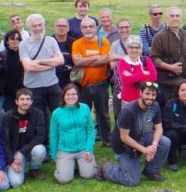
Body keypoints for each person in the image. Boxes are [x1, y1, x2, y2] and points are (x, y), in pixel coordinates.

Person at [97, 82, 171, 186]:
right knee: (132, 181)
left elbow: (159, 129)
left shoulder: (155, 106)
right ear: (141, 93)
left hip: (142, 136)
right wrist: (144, 150)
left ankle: (151, 170)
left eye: (153, 95)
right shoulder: (129, 110)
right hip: (123, 146)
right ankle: (106, 167)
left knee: (165, 142)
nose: (150, 97)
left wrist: (154, 145)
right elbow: (124, 137)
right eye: (147, 94)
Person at [71, 17, 113, 146]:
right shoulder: (77, 43)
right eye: (85, 27)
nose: (88, 29)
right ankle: (83, 140)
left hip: (100, 84)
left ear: (95, 28)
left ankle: (107, 139)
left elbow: (105, 60)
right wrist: (96, 57)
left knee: (104, 114)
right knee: (83, 114)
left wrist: (87, 59)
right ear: (81, 29)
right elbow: (77, 62)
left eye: (91, 26)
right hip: (83, 85)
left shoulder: (103, 42)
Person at [49, 82, 97, 183]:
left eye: (74, 94)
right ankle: (70, 165)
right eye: (68, 94)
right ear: (63, 96)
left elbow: (90, 129)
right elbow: (53, 135)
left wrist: (89, 149)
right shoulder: (56, 113)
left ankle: (77, 164)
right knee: (64, 179)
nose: (71, 96)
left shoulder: (85, 108)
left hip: (83, 149)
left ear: (78, 95)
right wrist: (54, 155)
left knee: (89, 175)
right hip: (65, 150)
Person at [19, 14, 64, 120]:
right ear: (29, 28)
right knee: (38, 119)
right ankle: (42, 137)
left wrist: (39, 62)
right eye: (34, 26)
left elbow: (60, 61)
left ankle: (58, 137)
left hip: (52, 84)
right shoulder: (23, 45)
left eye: (40, 25)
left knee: (59, 116)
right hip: (33, 87)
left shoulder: (51, 41)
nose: (38, 28)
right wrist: (51, 63)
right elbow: (28, 67)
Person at [0, 88, 48, 186]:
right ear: (16, 101)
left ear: (31, 101)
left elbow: (40, 136)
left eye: (27, 99)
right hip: (15, 152)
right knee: (16, 183)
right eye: (22, 99)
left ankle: (34, 169)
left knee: (40, 150)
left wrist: (22, 152)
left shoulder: (38, 114)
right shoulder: (8, 117)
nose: (25, 102)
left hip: (31, 149)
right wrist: (11, 161)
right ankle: (10, 168)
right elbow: (5, 141)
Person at [150, 7, 186, 106]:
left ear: (181, 18)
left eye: (177, 16)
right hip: (165, 83)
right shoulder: (159, 37)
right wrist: (170, 67)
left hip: (182, 82)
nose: (175, 18)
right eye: (172, 16)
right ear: (167, 18)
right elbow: (154, 58)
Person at [117, 35, 158, 119]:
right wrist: (144, 74)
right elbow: (126, 80)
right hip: (128, 101)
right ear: (127, 49)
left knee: (144, 126)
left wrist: (132, 76)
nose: (134, 50)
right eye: (131, 47)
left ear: (141, 49)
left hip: (144, 100)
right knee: (128, 126)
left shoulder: (146, 60)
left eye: (137, 48)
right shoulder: (122, 62)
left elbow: (154, 77)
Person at [0, 30, 25, 107]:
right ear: (7, 41)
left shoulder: (25, 54)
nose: (15, 41)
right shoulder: (1, 56)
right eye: (12, 39)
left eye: (17, 39)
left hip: (24, 91)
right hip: (8, 93)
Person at [51, 18, 74, 88]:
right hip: (51, 81)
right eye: (59, 26)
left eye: (64, 26)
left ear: (68, 29)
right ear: (54, 28)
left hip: (70, 81)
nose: (61, 28)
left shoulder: (73, 43)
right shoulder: (48, 42)